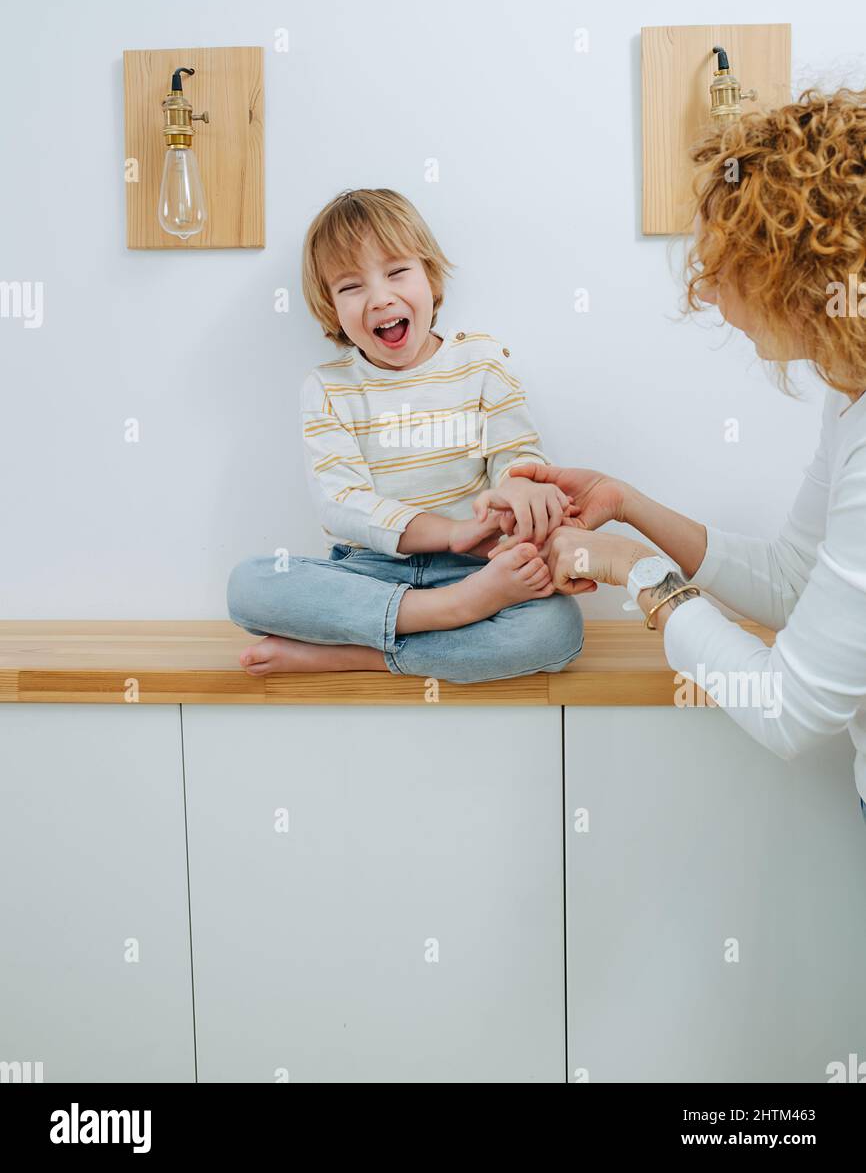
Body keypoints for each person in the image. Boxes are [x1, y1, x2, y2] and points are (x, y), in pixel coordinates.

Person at [493, 88, 866, 818]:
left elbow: (786, 709)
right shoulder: (849, 390)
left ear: (794, 271)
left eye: (727, 267)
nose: (710, 294)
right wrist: (625, 504)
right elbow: (792, 583)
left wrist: (632, 570)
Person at [226, 188, 588, 682]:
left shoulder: (481, 361)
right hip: (369, 573)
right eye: (351, 286)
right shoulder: (329, 388)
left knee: (557, 631)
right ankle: (445, 613)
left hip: (475, 572)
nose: (380, 298)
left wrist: (521, 486)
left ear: (430, 277)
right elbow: (341, 501)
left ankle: (359, 653)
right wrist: (453, 533)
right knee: (249, 586)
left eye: (397, 272)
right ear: (331, 309)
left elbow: (516, 456)